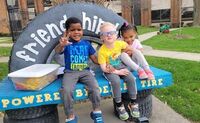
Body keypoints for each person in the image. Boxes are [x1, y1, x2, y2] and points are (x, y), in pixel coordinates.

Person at [55, 17, 104, 123]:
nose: (76, 32)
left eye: (79, 29)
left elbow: (94, 59)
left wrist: (105, 62)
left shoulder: (86, 44)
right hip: (70, 73)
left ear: (82, 30)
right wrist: (62, 45)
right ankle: (70, 116)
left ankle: (96, 112)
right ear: (67, 32)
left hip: (85, 72)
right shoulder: (66, 44)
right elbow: (58, 51)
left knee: (95, 88)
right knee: (66, 91)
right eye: (72, 30)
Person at [98, 22, 140, 121]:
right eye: (105, 33)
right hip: (110, 70)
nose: (109, 35)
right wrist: (117, 72)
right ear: (101, 37)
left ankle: (133, 102)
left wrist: (126, 53)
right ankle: (119, 105)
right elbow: (103, 68)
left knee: (130, 78)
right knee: (115, 81)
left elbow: (130, 49)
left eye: (111, 32)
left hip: (121, 66)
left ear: (116, 35)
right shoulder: (102, 51)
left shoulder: (119, 43)